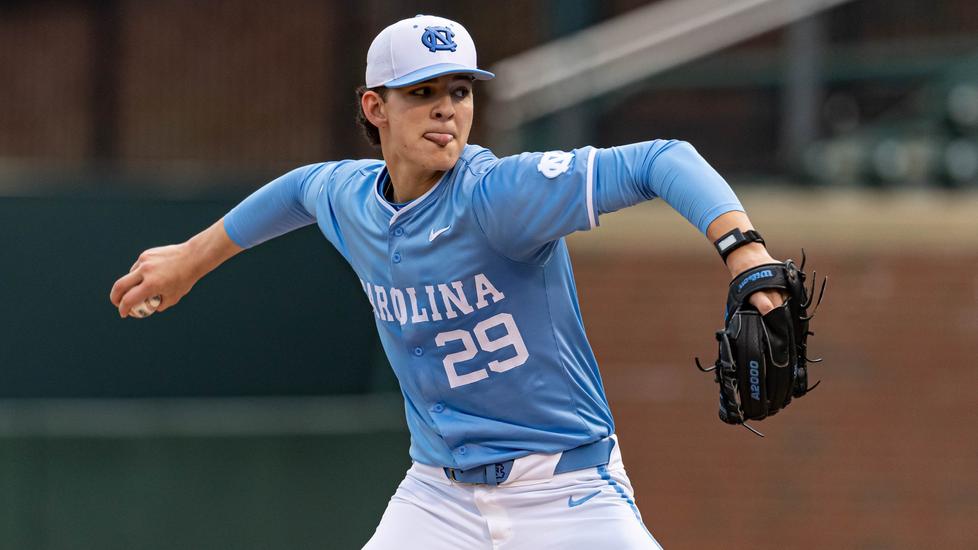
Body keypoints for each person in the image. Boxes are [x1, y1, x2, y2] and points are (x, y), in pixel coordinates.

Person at [109, 14, 785, 549]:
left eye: (459, 91)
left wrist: (743, 249)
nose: (447, 110)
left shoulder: (499, 195)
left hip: (563, 487)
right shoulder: (354, 199)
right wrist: (192, 259)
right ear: (376, 108)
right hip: (438, 497)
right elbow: (298, 191)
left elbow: (663, 160)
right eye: (423, 93)